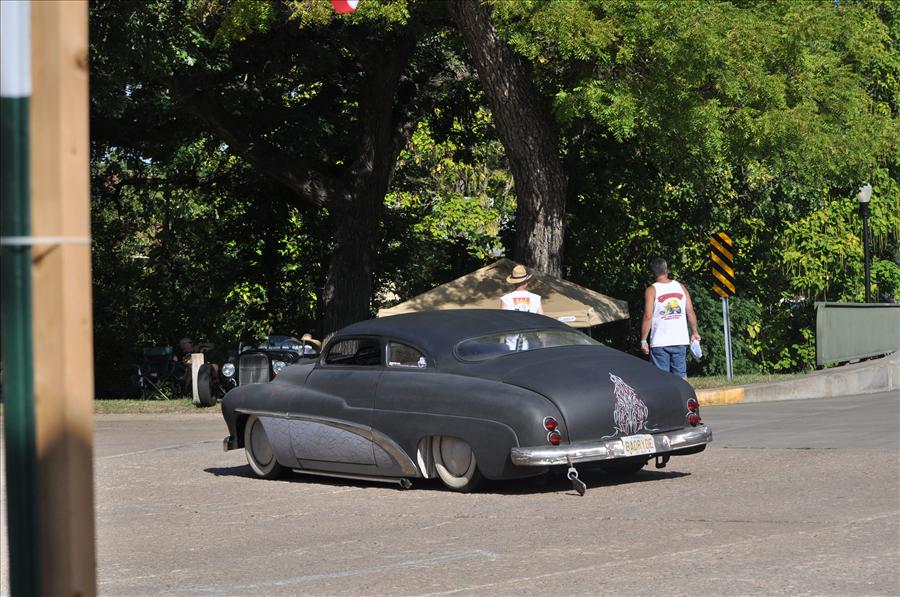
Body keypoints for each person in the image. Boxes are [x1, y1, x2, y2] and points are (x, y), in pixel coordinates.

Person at [640, 257, 700, 378]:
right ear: (666, 270)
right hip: (679, 340)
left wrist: (643, 340)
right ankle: (684, 391)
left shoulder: (651, 290)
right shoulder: (681, 287)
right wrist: (694, 332)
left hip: (659, 342)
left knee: (661, 378)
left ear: (652, 273)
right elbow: (690, 311)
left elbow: (648, 316)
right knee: (681, 377)